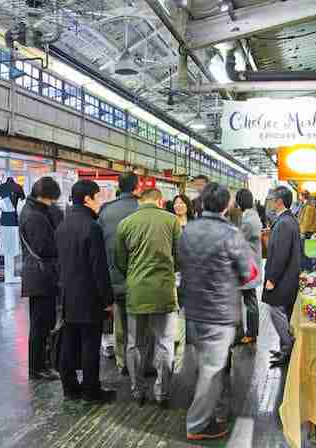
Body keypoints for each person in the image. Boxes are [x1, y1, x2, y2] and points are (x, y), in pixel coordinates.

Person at [178, 182, 253, 441]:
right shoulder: (231, 234)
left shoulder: (188, 230)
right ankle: (197, 424)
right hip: (218, 313)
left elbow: (182, 262)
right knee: (212, 369)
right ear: (226, 205)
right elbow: (247, 274)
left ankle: (217, 413)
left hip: (193, 308)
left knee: (206, 366)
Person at [115, 188, 181, 407]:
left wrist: (134, 275)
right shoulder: (172, 221)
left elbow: (120, 260)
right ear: (160, 201)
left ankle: (137, 390)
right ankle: (162, 392)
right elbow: (180, 256)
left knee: (134, 343)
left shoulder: (125, 223)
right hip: (164, 290)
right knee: (165, 343)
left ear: (140, 201)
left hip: (136, 291)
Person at [56, 180, 115, 402]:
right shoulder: (92, 227)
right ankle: (92, 390)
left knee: (69, 342)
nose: (100, 201)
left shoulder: (63, 225)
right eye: (98, 196)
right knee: (90, 344)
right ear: (88, 199)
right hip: (89, 296)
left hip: (68, 295)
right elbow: (98, 268)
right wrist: (107, 299)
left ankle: (70, 388)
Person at [19, 176, 62, 381]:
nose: (54, 203)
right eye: (52, 199)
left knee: (42, 323)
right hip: (40, 276)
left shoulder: (34, 210)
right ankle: (37, 368)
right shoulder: (35, 216)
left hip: (38, 275)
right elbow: (44, 248)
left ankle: (40, 365)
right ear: (44, 196)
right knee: (40, 324)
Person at [97, 172, 140, 369]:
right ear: (137, 187)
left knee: (120, 322)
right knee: (142, 324)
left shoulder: (106, 211)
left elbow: (100, 244)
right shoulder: (142, 209)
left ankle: (123, 362)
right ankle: (140, 362)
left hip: (114, 277)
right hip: (141, 278)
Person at [262, 186, 300, 368]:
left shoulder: (284, 223)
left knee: (276, 311)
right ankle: (284, 346)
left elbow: (281, 254)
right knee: (281, 312)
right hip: (286, 277)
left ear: (279, 201)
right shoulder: (286, 220)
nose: (269, 202)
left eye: (272, 199)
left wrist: (272, 278)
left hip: (282, 278)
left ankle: (288, 348)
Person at [236, 189, 262, 345]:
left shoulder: (248, 221)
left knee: (250, 300)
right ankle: (251, 332)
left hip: (247, 266)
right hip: (251, 264)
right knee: (249, 299)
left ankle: (251, 333)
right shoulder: (252, 216)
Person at [297, 190, 316, 271]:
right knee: (304, 252)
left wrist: (302, 232)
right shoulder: (305, 205)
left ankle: (307, 269)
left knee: (305, 252)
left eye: (300, 195)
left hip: (307, 233)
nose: (299, 197)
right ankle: (305, 268)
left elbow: (306, 221)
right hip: (306, 232)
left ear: (303, 196)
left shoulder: (309, 207)